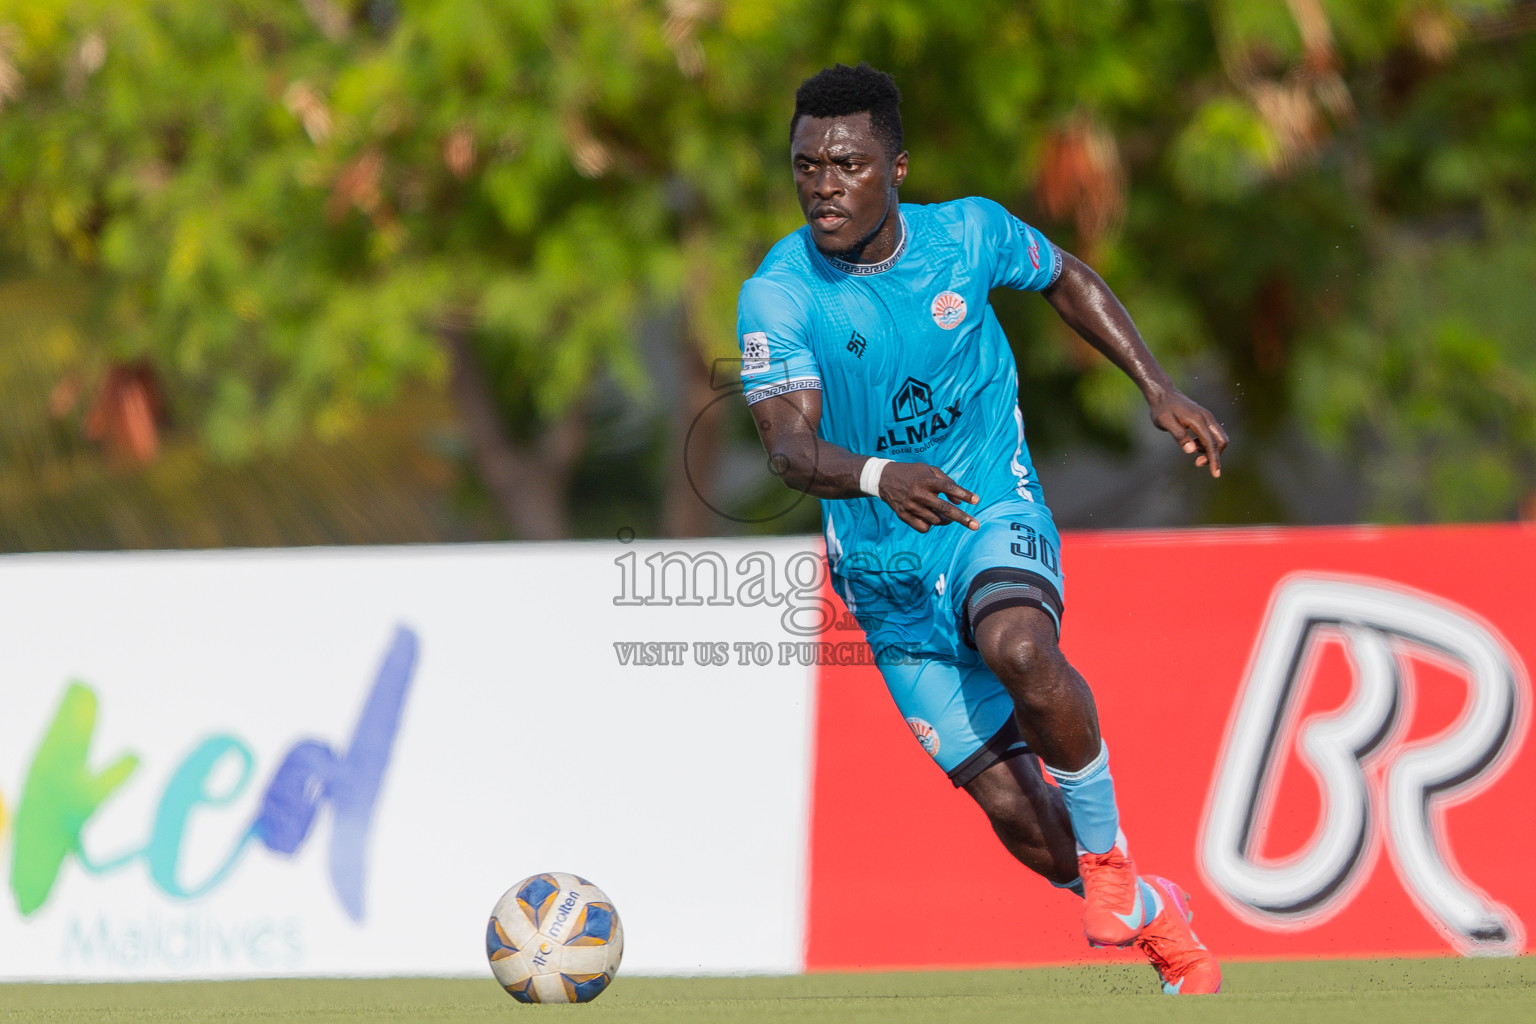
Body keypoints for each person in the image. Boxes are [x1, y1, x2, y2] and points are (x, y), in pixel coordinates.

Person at [738, 63, 1226, 994]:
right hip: (883, 575)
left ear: (897, 169)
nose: (823, 186)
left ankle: (1112, 866)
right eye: (806, 166)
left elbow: (1066, 277)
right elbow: (789, 448)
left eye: (847, 165)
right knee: (1022, 822)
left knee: (1019, 648)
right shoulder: (779, 293)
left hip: (985, 507)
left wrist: (1157, 387)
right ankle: (1153, 909)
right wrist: (880, 476)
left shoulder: (969, 234)